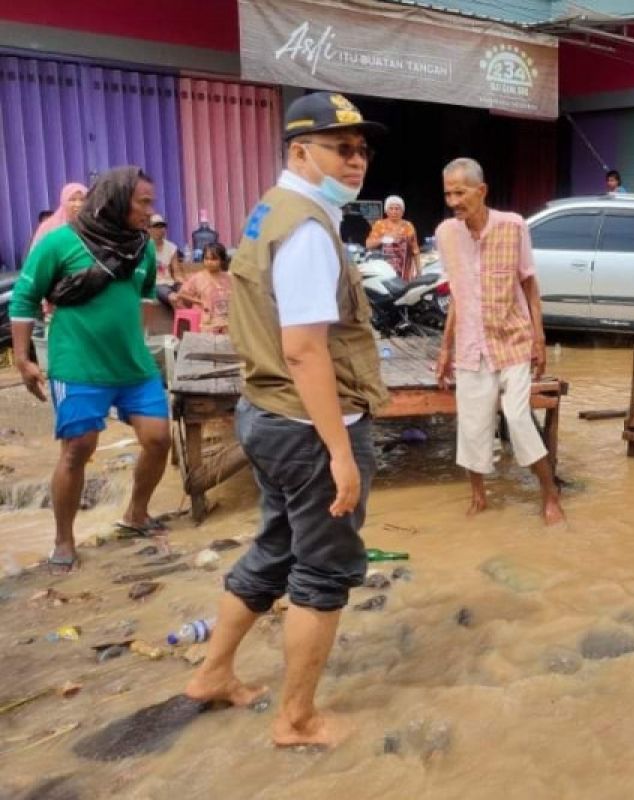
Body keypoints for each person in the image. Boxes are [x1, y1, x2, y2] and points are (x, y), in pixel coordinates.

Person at [182, 92, 389, 749]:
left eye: (361, 149)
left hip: (266, 412)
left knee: (275, 548)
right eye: (340, 147)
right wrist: (342, 452)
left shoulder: (272, 209)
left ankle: (212, 674)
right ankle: (297, 720)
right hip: (305, 423)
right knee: (323, 572)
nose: (355, 160)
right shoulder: (305, 229)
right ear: (300, 151)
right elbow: (304, 349)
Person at [10, 167, 171, 573]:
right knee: (78, 448)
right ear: (117, 200)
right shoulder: (60, 243)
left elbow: (145, 297)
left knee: (158, 438)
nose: (151, 212)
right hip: (77, 364)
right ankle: (63, 540)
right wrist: (22, 357)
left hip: (133, 365)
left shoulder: (143, 248)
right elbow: (24, 298)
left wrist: (137, 337)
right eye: (144, 202)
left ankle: (136, 513)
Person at [435, 157, 565, 524]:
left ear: (481, 191)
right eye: (448, 193)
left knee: (518, 416)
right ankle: (479, 497)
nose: (454, 201)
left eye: (460, 192)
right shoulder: (447, 233)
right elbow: (458, 296)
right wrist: (445, 349)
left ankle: (550, 493)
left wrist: (539, 339)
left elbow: (529, 285)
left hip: (513, 339)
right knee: (473, 425)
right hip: (471, 344)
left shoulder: (513, 226)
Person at [177, 242, 233, 333]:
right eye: (206, 258)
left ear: (222, 260)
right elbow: (182, 294)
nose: (209, 262)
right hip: (206, 321)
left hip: (226, 320)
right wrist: (199, 301)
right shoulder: (198, 277)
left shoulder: (228, 278)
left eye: (214, 259)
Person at [365, 195, 420, 281]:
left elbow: (415, 250)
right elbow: (368, 245)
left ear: (402, 211)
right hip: (385, 272)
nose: (394, 211)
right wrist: (383, 239)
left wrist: (419, 272)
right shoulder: (379, 225)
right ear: (386, 211)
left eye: (397, 208)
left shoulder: (408, 226)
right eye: (391, 208)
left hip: (405, 272)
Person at [29, 182, 87, 251]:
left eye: (82, 200)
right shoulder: (48, 226)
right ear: (64, 201)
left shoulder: (92, 225)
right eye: (72, 200)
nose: (78, 204)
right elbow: (37, 255)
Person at [149, 213, 184, 309]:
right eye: (156, 226)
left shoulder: (171, 247)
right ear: (149, 229)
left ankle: (187, 319)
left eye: (163, 226)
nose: (161, 230)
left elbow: (177, 271)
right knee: (174, 298)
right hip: (155, 285)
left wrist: (184, 285)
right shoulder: (144, 247)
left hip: (170, 282)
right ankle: (187, 320)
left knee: (187, 292)